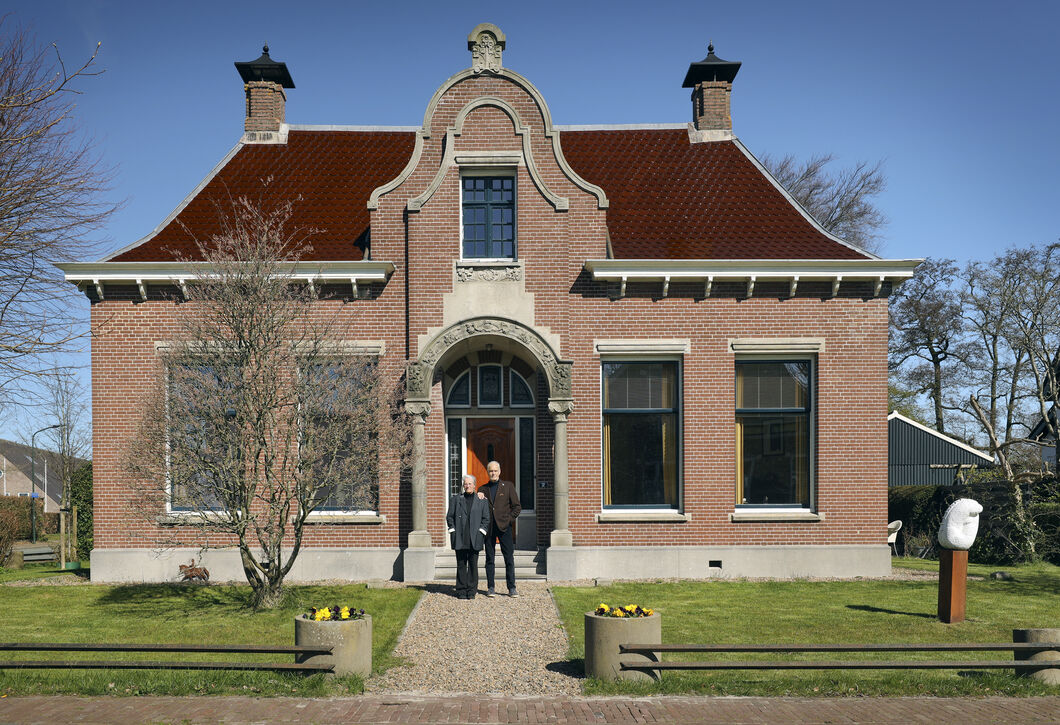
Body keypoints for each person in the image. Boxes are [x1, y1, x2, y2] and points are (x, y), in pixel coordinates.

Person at [480, 460, 521, 597]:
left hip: (504, 527)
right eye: (491, 471)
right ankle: (491, 587)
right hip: (489, 529)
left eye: (495, 470)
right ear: (488, 472)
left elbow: (517, 507)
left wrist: (509, 519)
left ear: (499, 472)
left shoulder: (508, 486)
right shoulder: (482, 489)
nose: (493, 473)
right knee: (489, 559)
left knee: (508, 558)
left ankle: (512, 588)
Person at [446, 474, 490, 599]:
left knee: (472, 564)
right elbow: (449, 516)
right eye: (465, 483)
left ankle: (471, 590)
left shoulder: (481, 500)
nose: (467, 486)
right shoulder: (455, 499)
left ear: (474, 485)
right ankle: (461, 590)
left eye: (470, 483)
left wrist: (481, 533)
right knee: (461, 564)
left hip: (474, 537)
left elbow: (486, 519)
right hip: (460, 537)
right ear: (463, 485)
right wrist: (452, 531)